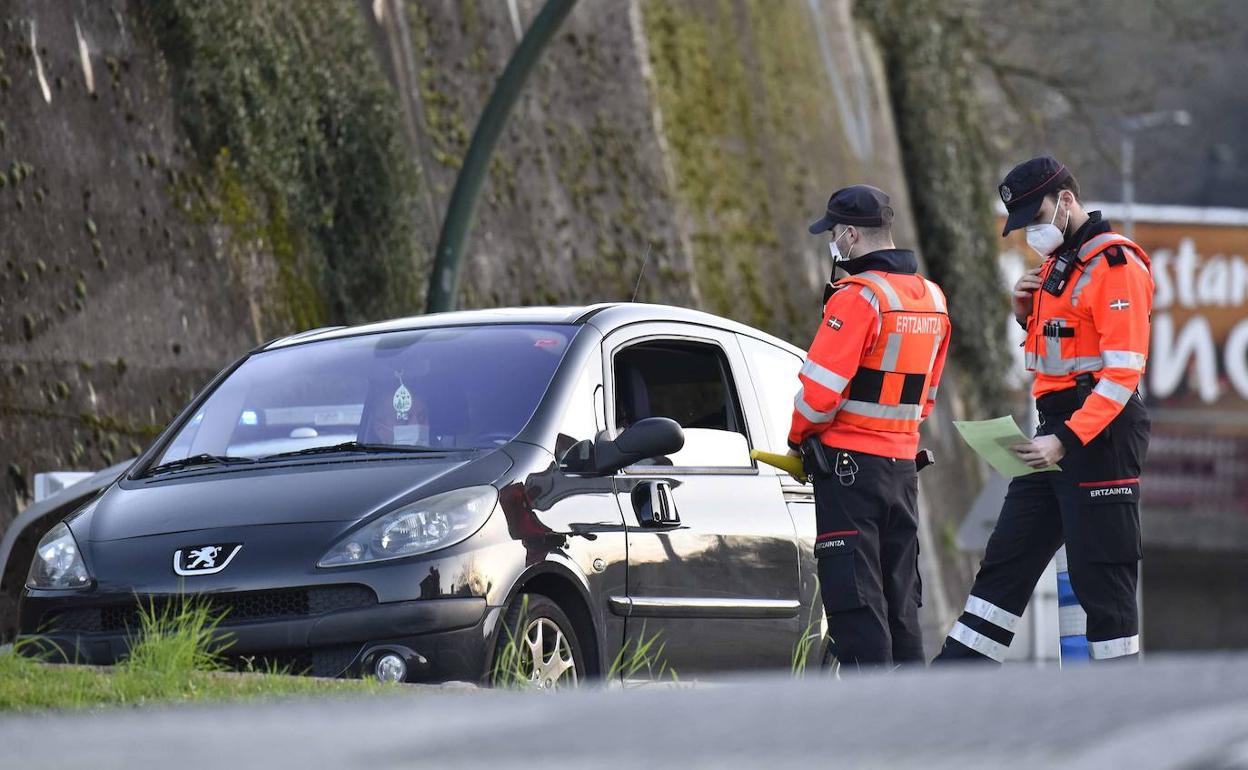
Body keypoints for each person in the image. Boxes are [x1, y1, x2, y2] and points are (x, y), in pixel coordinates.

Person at [935, 155, 1153, 664]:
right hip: (1054, 432)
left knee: (1102, 581)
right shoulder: (1058, 266)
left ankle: (1117, 714)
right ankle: (947, 688)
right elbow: (1055, 357)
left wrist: (1068, 438)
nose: (1031, 230)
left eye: (1037, 216)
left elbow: (1122, 374)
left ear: (1067, 201)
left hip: (1100, 437)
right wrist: (1021, 315)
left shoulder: (1115, 265)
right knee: (1005, 562)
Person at [788, 184, 951, 671]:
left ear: (850, 235)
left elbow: (820, 393)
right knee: (901, 600)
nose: (832, 245)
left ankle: (870, 719)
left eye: (833, 235)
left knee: (858, 602)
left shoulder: (859, 298)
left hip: (847, 472)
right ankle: (909, 718)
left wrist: (797, 438)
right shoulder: (933, 300)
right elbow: (926, 398)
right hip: (902, 469)